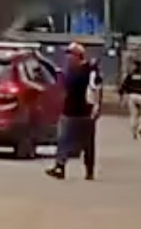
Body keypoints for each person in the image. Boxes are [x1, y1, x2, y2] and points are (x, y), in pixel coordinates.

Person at [46, 42, 101, 181]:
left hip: (85, 112)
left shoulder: (87, 71)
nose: (68, 58)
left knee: (87, 143)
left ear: (78, 56)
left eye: (71, 55)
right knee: (63, 140)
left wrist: (96, 107)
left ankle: (89, 169)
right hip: (70, 110)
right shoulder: (73, 70)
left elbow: (96, 88)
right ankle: (60, 166)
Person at [119, 59, 141, 139]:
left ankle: (134, 132)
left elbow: (123, 86)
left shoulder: (130, 75)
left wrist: (121, 96)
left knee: (133, 115)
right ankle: (140, 128)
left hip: (132, 96)